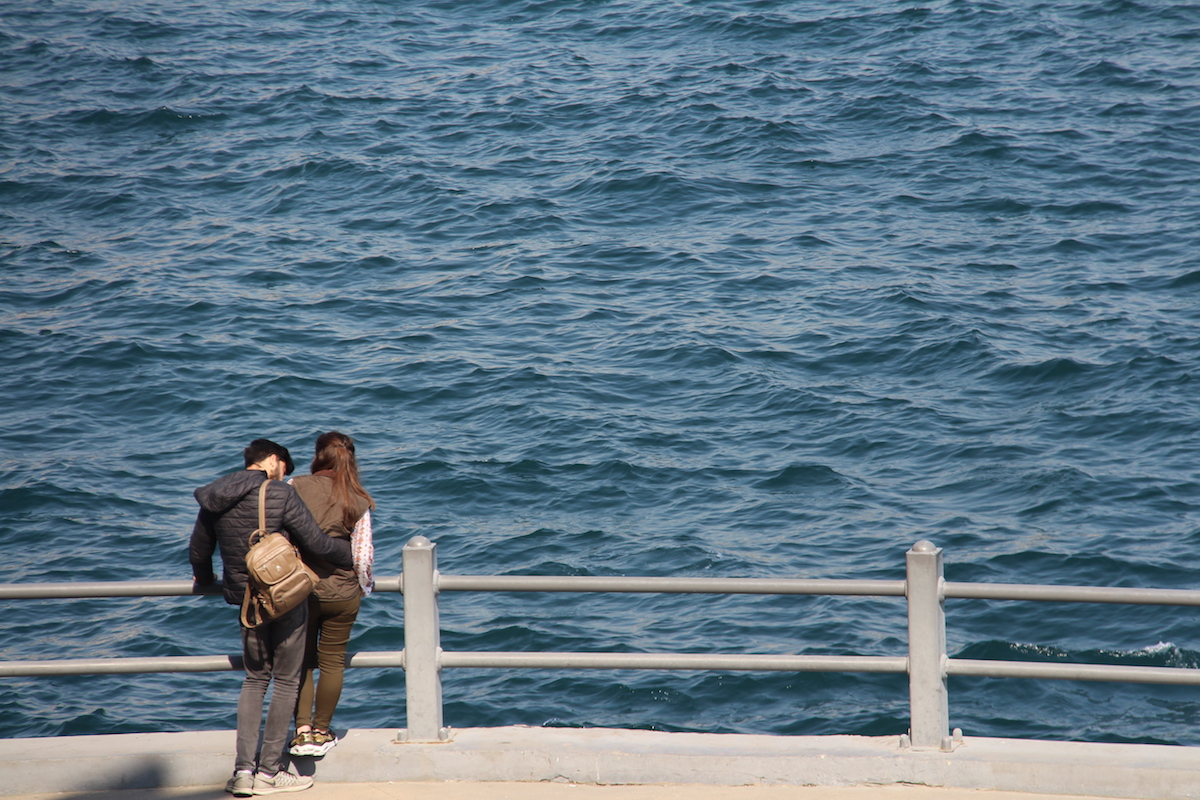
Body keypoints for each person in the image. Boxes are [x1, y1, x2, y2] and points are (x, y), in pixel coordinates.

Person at [190, 439, 353, 797]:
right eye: (285, 468)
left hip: (246, 603)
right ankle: (269, 773)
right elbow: (315, 543)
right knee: (285, 681)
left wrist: (205, 581)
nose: (285, 474)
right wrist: (349, 555)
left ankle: (243, 772)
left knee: (254, 680)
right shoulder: (278, 493)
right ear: (275, 461)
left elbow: (199, 551)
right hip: (283, 600)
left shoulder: (215, 496)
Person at [287, 431, 376, 759]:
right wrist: (363, 588)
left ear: (318, 456)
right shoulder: (358, 497)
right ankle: (322, 731)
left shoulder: (295, 487)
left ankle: (301, 730)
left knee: (302, 662)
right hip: (342, 594)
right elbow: (362, 557)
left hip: (300, 592)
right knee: (333, 661)